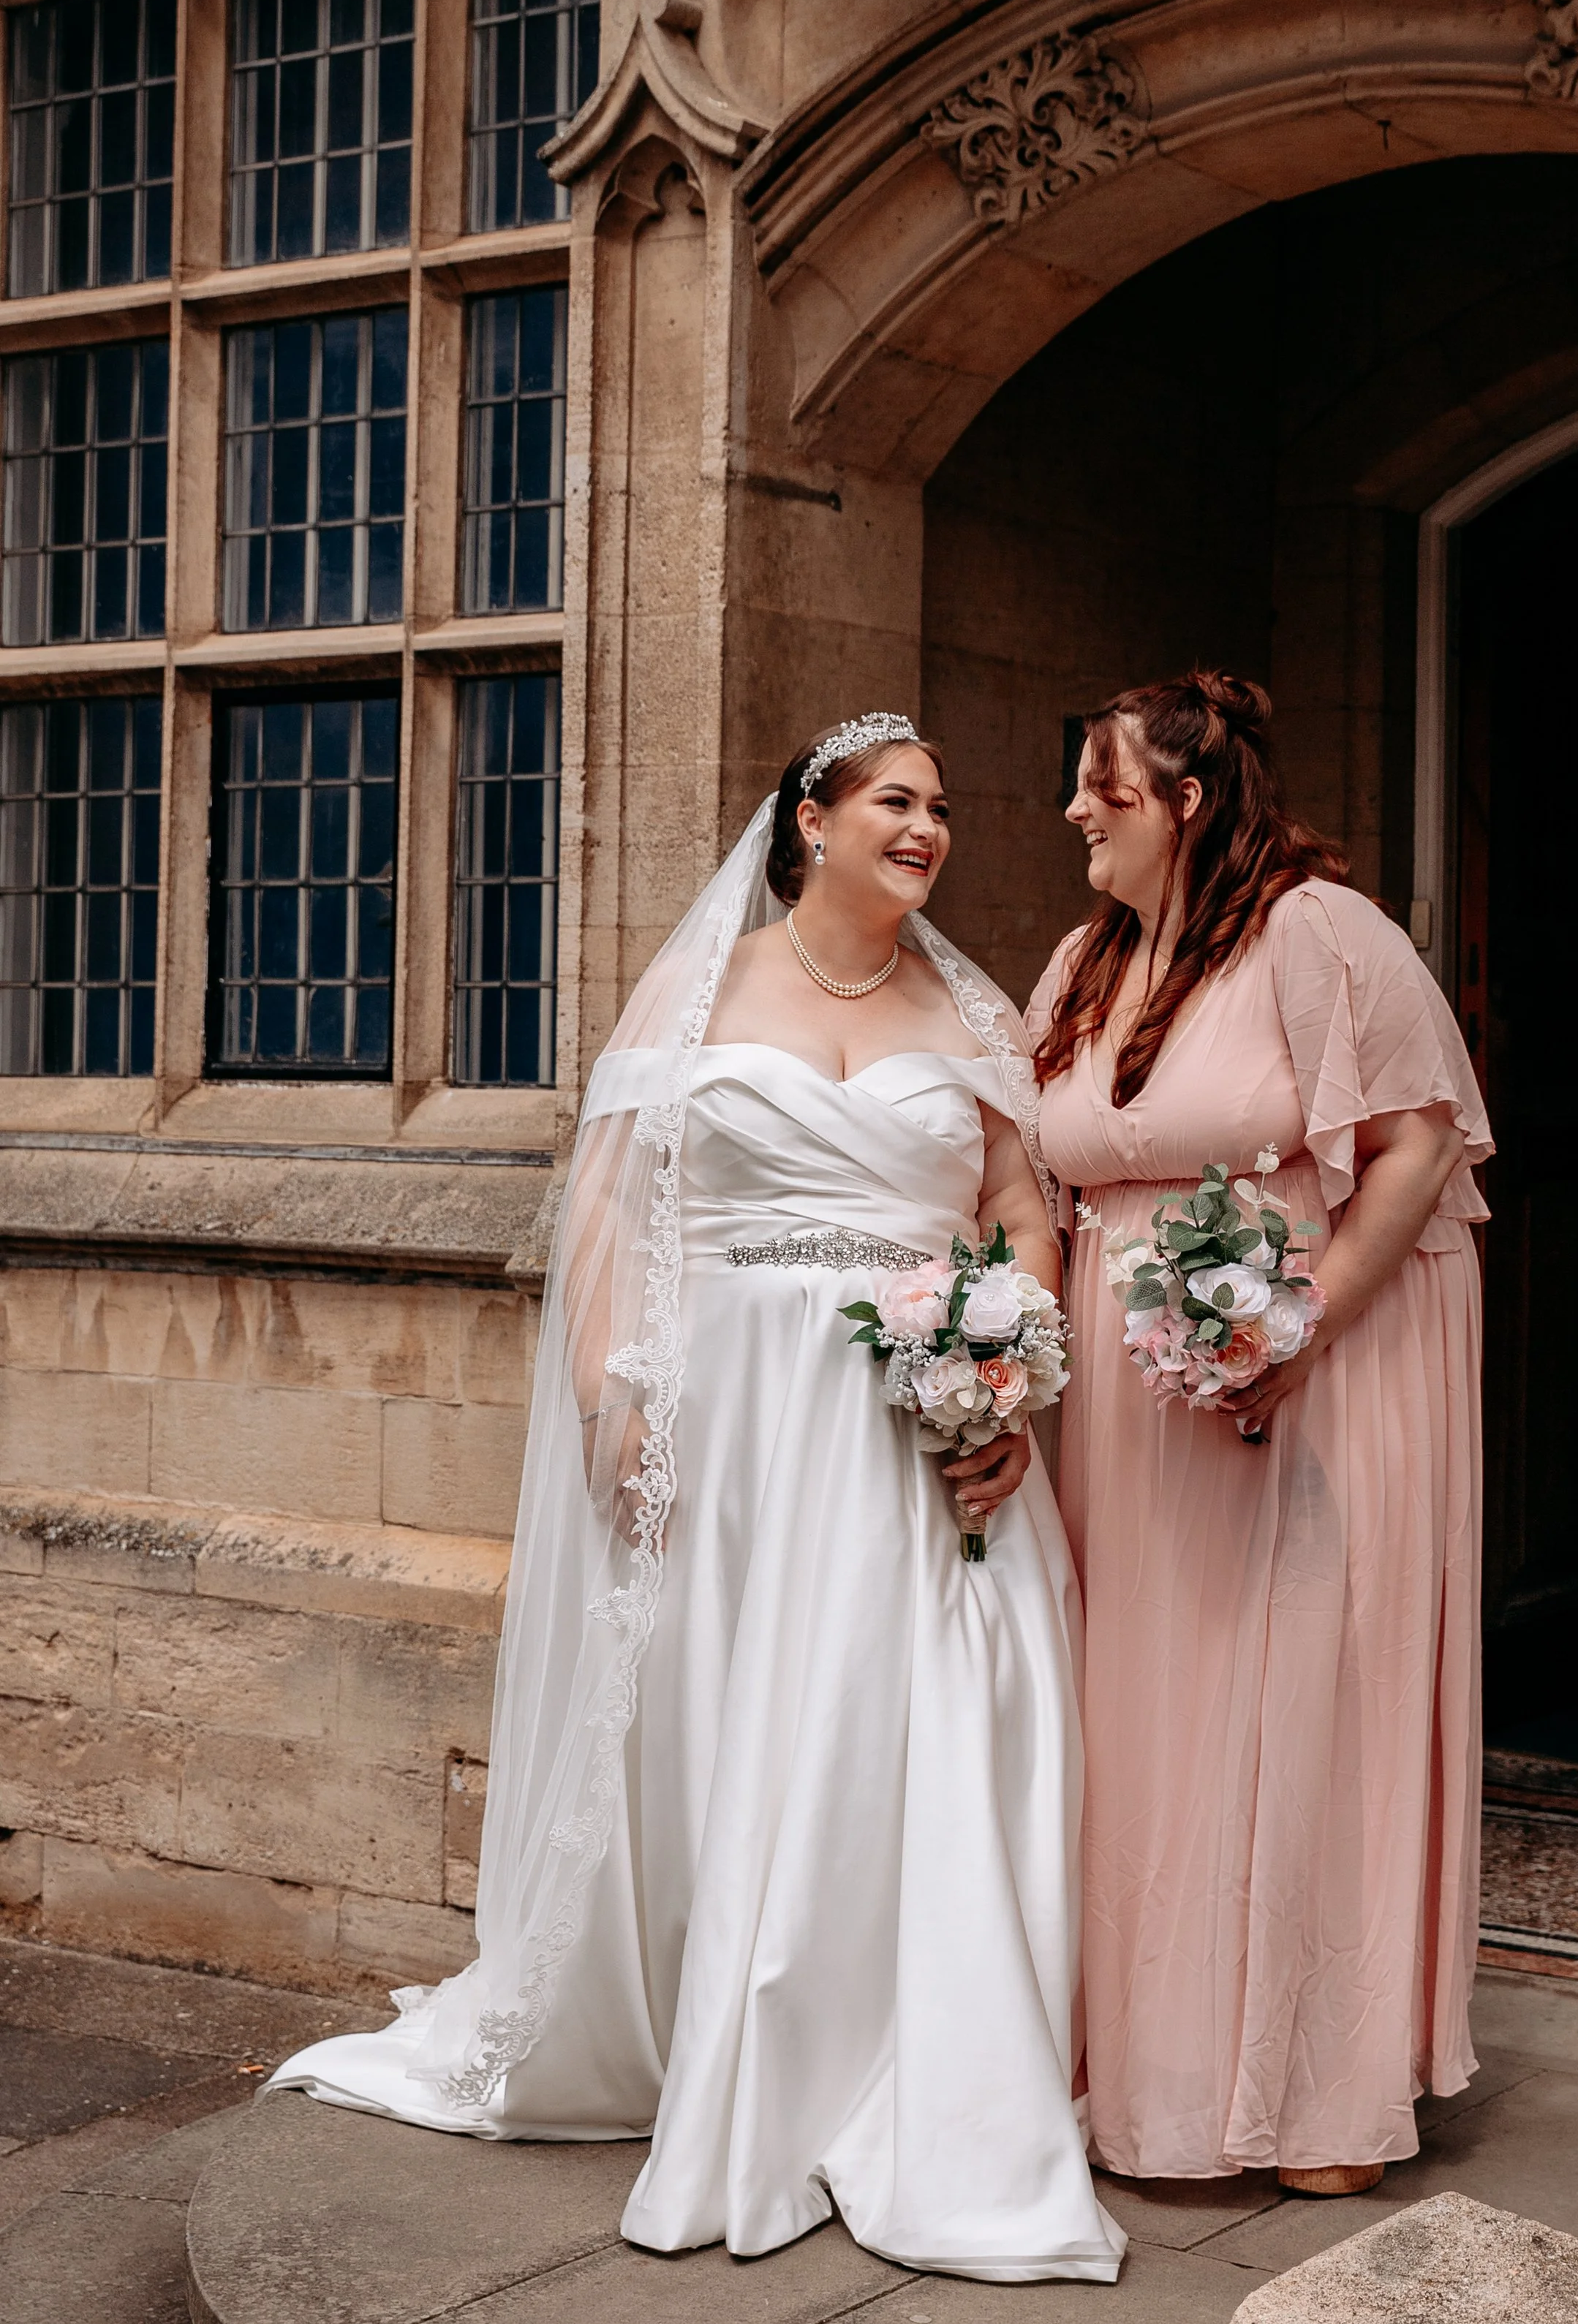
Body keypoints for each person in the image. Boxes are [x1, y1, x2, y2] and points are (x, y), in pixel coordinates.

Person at [269, 712, 1125, 2287]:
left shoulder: (973, 1009)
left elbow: (1017, 1207)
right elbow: (606, 1202)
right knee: (727, 1715)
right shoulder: (701, 987)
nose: (926, 826)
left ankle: (888, 2057)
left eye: (938, 805)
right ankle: (705, 2025)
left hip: (906, 1420)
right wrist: (610, 1394)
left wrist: (1005, 1376)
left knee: (901, 1720)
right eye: (893, 799)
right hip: (730, 1423)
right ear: (809, 818)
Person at [1027, 670, 1490, 2196]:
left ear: (1186, 798)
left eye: (1100, 781)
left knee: (1294, 1694)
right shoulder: (1085, 962)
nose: (1073, 808)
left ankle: (1308, 2090)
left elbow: (1419, 1141)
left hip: (1303, 1380)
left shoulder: (1318, 932)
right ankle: (1144, 2073)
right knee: (1143, 1715)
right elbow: (1034, 1171)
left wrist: (1294, 1334)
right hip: (1122, 1404)